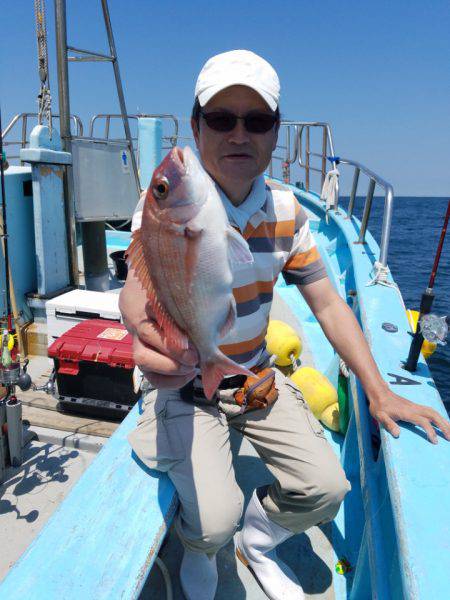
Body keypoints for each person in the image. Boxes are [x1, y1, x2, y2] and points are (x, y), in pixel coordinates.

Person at [120, 50, 450, 600]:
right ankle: (204, 551)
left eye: (259, 120)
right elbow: (138, 284)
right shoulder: (169, 202)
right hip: (187, 384)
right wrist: (139, 324)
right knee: (210, 523)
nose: (239, 134)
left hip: (252, 375)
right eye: (222, 119)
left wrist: (379, 390)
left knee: (327, 489)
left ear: (276, 133)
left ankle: (261, 536)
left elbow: (327, 304)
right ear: (196, 127)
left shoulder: (287, 212)